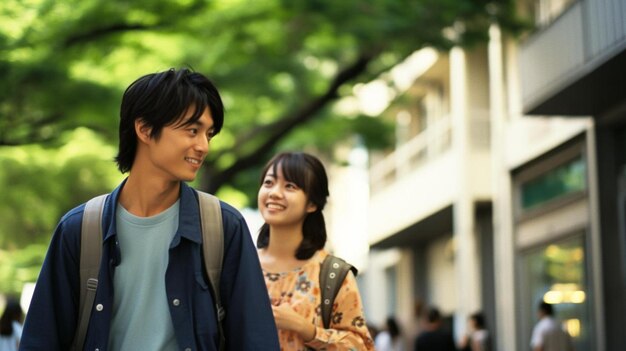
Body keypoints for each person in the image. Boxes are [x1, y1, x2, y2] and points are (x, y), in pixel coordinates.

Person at [19, 68, 280, 350]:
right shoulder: (80, 229)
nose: (203, 146)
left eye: (209, 134)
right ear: (144, 129)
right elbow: (41, 341)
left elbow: (256, 341)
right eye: (192, 130)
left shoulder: (222, 226)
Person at [256, 151, 375, 350]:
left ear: (312, 203)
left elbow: (361, 346)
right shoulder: (238, 265)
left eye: (290, 186)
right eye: (269, 183)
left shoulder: (333, 275)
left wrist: (306, 329)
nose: (275, 192)